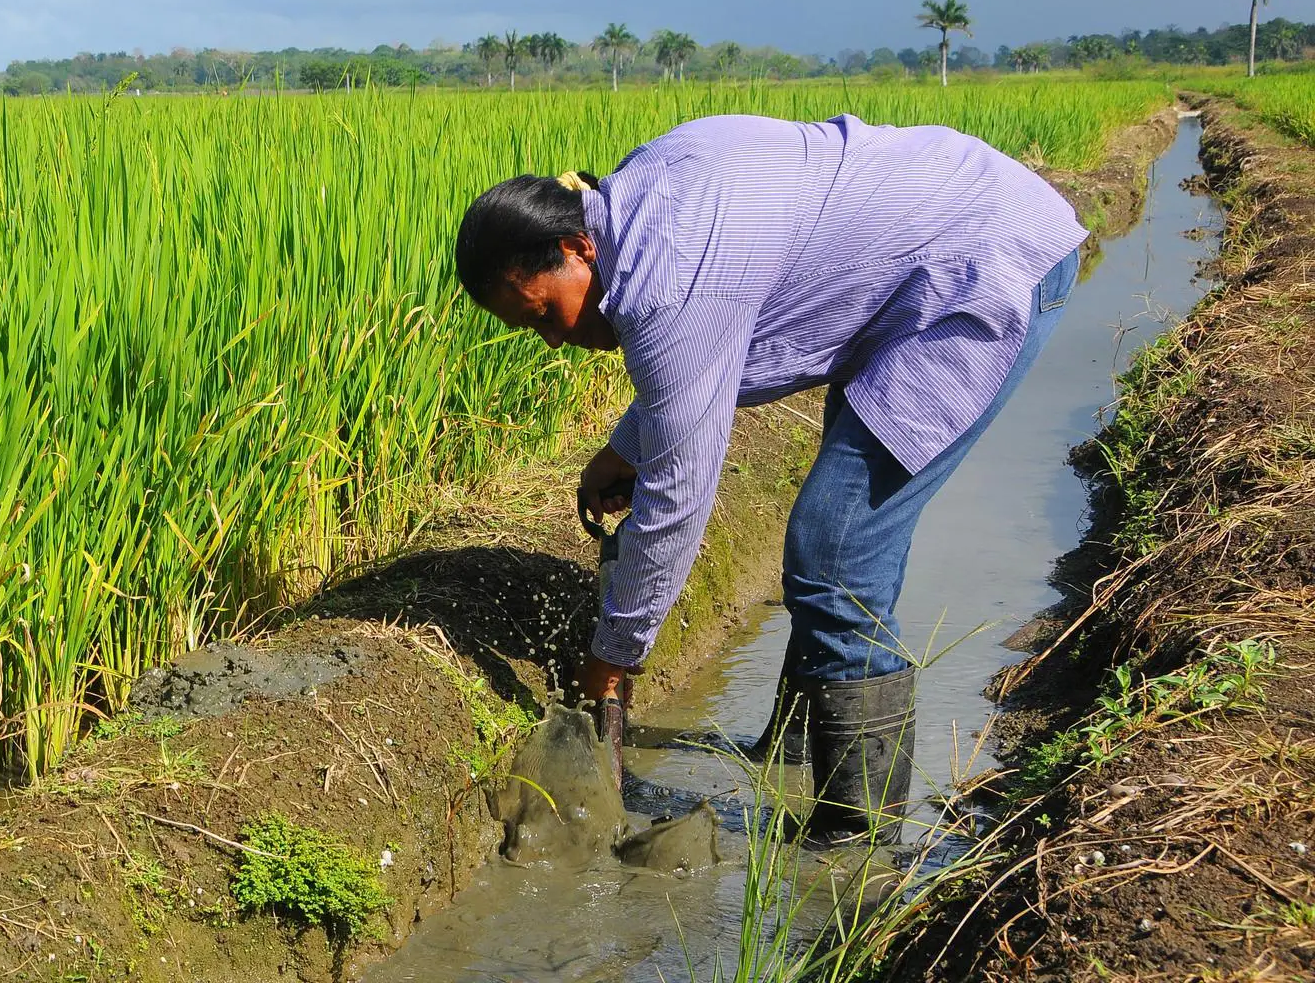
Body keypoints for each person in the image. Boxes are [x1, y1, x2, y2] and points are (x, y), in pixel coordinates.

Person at [453, 113, 1081, 842]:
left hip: (977, 270)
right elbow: (706, 364)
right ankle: (791, 751)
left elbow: (678, 500)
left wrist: (613, 657)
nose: (557, 338)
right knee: (833, 538)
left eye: (546, 315)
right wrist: (628, 447)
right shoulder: (642, 203)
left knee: (836, 551)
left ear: (576, 248)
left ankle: (855, 838)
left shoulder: (666, 281)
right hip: (936, 244)